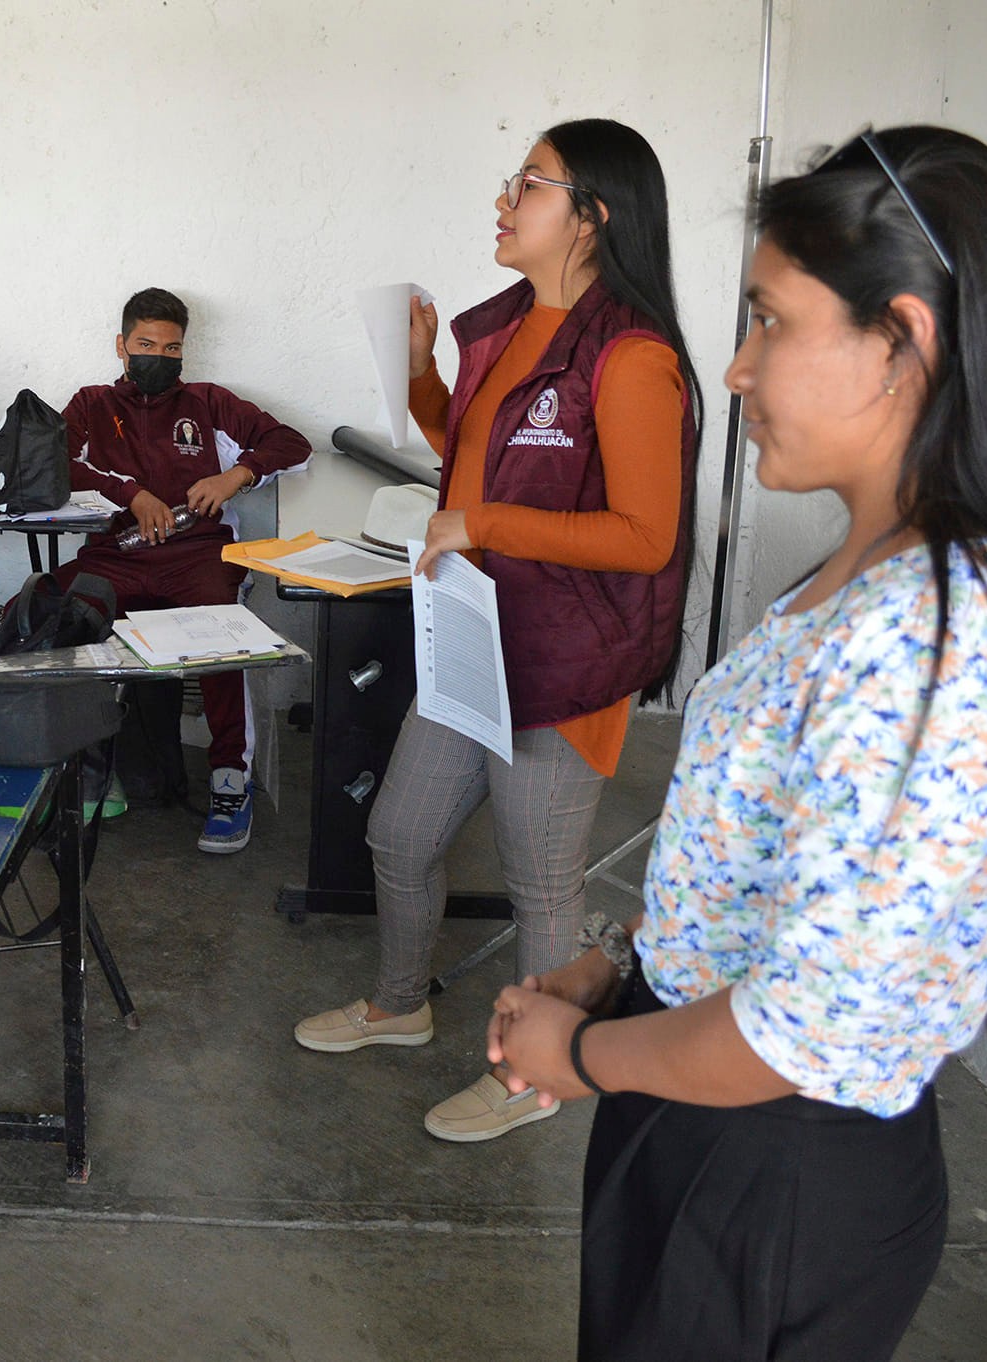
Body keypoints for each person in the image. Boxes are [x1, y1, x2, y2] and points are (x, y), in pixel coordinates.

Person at [487, 126, 987, 1361]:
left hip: (768, 1171)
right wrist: (628, 966)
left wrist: (583, 1051)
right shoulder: (870, 574)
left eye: (769, 322)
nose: (735, 371)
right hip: (706, 1117)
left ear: (904, 338)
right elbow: (797, 878)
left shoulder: (938, 631)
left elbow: (806, 1027)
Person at [294, 120, 700, 1140]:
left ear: (591, 216)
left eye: (528, 183)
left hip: (567, 662)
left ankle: (536, 1073)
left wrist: (481, 525)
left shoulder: (631, 355)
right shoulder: (511, 321)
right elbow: (475, 450)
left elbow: (646, 537)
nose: (502, 199)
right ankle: (398, 1004)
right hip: (479, 639)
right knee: (397, 833)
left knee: (539, 881)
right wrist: (428, 373)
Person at [49, 286, 311, 853]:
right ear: (121, 345)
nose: (159, 358)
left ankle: (228, 780)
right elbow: (53, 466)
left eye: (172, 349)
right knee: (54, 616)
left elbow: (292, 443)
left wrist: (234, 476)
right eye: (146, 344)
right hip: (114, 556)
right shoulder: (92, 404)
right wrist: (130, 494)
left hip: (197, 556)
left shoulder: (209, 402)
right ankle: (74, 772)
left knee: (222, 634)